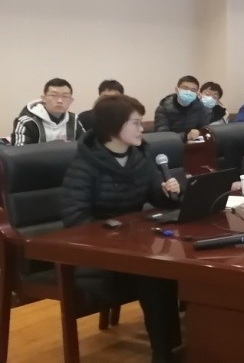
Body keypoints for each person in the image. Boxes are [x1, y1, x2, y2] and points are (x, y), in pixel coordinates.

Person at [60, 95, 182, 362]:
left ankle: (174, 347)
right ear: (114, 126)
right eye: (135, 123)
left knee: (168, 267)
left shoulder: (140, 156)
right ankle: (164, 353)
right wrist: (117, 234)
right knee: (155, 274)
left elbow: (156, 197)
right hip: (96, 255)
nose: (141, 129)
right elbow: (74, 218)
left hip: (133, 247)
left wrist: (168, 193)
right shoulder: (85, 165)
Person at [12, 78, 85, 145]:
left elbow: (86, 147)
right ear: (44, 98)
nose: (60, 101)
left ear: (71, 100)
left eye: (65, 96)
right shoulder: (27, 122)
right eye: (53, 95)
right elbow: (20, 151)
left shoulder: (74, 120)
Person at [153, 75, 211, 141]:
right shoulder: (163, 108)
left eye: (193, 90)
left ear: (196, 93)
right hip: (172, 144)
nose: (189, 92)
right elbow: (162, 135)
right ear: (177, 90)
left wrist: (199, 133)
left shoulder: (200, 107)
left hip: (194, 143)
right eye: (185, 88)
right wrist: (186, 136)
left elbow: (205, 129)